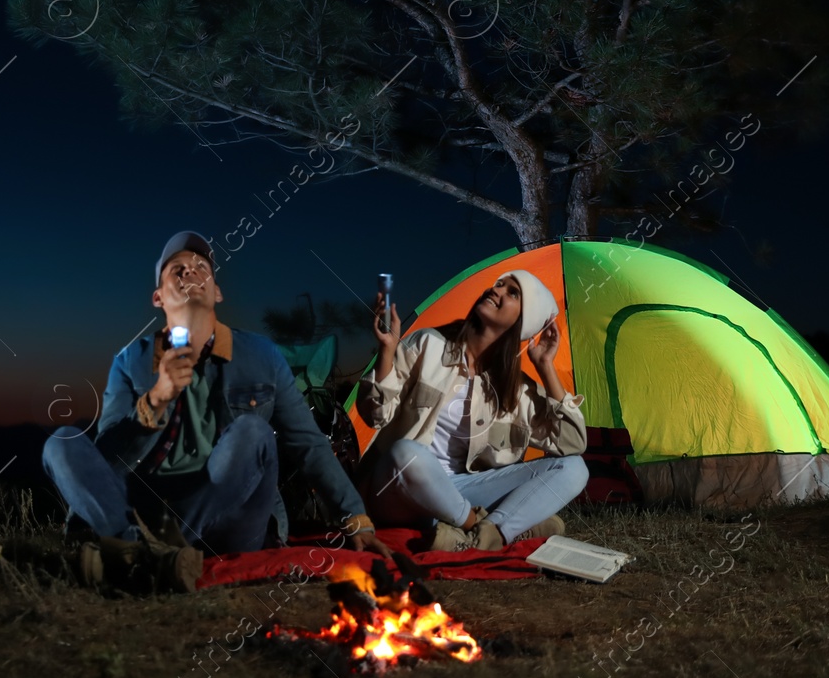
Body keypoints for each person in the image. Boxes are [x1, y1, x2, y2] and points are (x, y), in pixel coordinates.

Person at [42, 231, 392, 593]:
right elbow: (108, 461)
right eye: (176, 269)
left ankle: (136, 553)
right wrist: (156, 399)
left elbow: (308, 443)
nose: (189, 273)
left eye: (200, 267)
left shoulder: (261, 355)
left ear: (218, 292)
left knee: (252, 433)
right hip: (151, 508)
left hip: (232, 515)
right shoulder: (131, 362)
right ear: (158, 297)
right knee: (61, 443)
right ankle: (140, 548)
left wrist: (355, 518)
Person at [354, 269, 590, 551]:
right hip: (397, 488)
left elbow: (573, 442)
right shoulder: (428, 344)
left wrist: (546, 368)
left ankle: (486, 534)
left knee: (574, 468)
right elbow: (375, 414)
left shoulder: (515, 391)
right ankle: (482, 528)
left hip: (459, 491)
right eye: (498, 284)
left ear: (524, 320)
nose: (496, 290)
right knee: (407, 454)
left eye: (512, 292)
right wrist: (388, 351)